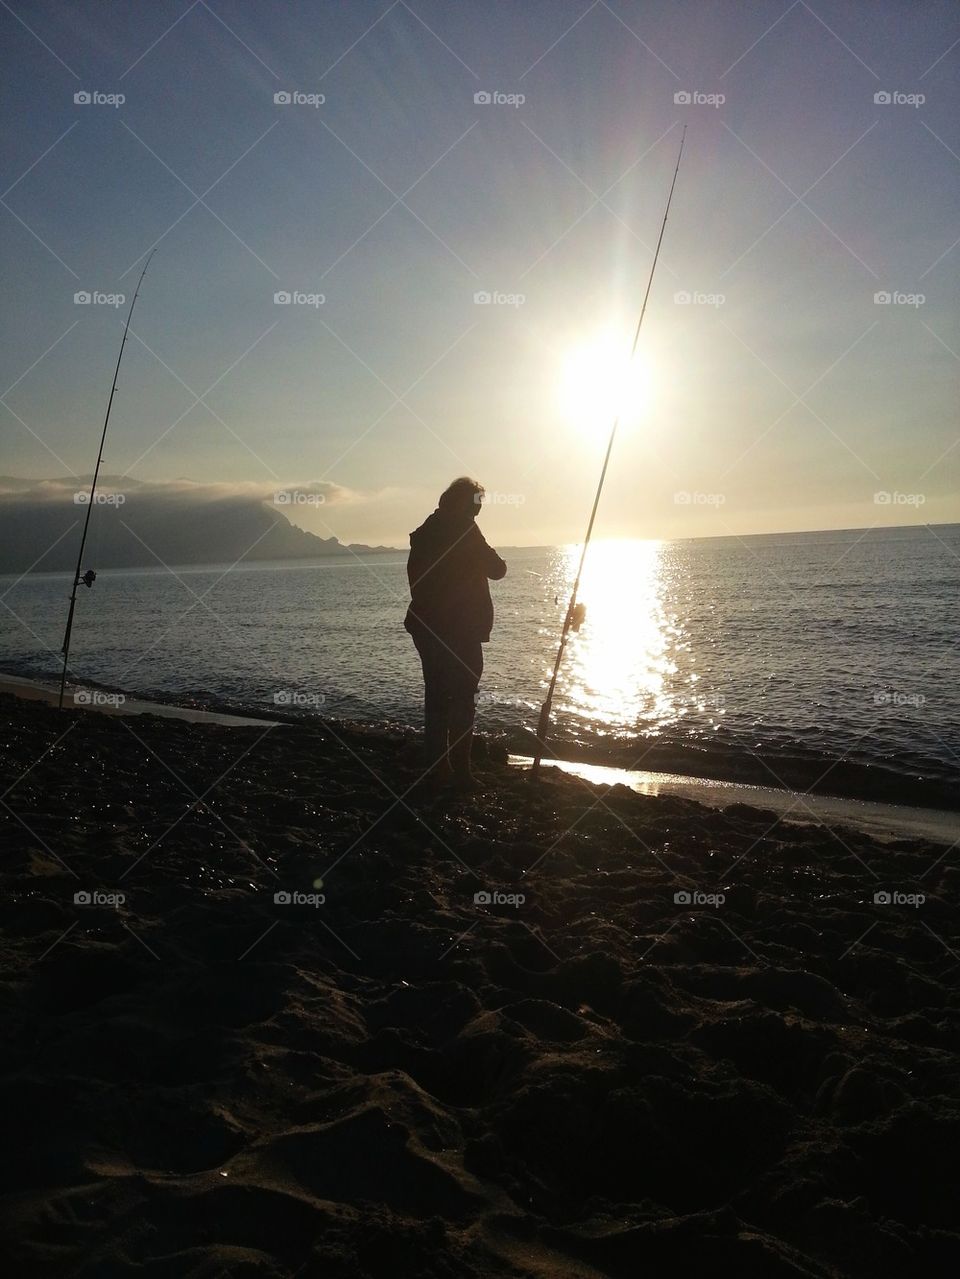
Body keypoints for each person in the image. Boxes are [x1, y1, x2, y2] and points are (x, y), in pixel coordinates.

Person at [404, 477, 507, 790]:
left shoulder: (426, 531)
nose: (477, 514)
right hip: (458, 627)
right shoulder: (464, 528)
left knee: (437, 696)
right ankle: (460, 772)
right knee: (463, 697)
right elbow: (498, 569)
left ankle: (439, 767)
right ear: (467, 504)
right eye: (476, 507)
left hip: (425, 624)